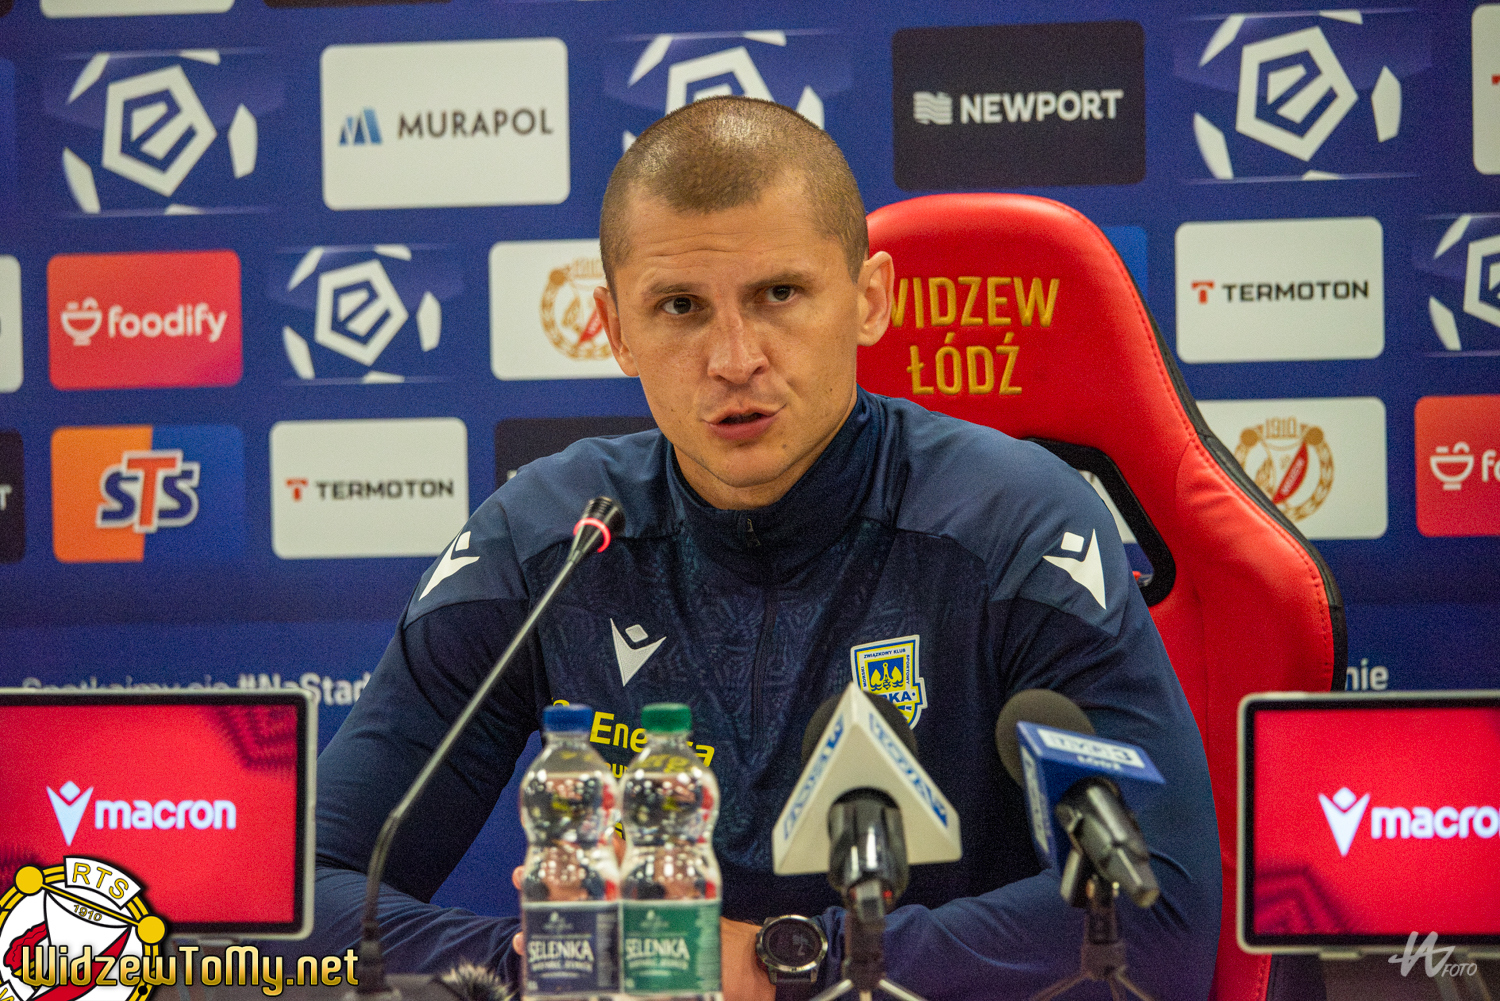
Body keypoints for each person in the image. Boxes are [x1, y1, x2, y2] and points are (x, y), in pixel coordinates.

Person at [310, 95, 1221, 1000]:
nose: (734, 357)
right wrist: (568, 960)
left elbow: (1162, 921)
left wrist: (779, 962)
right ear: (616, 330)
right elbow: (283, 905)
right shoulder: (549, 537)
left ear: (870, 300)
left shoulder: (1016, 523)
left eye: (779, 294)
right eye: (680, 306)